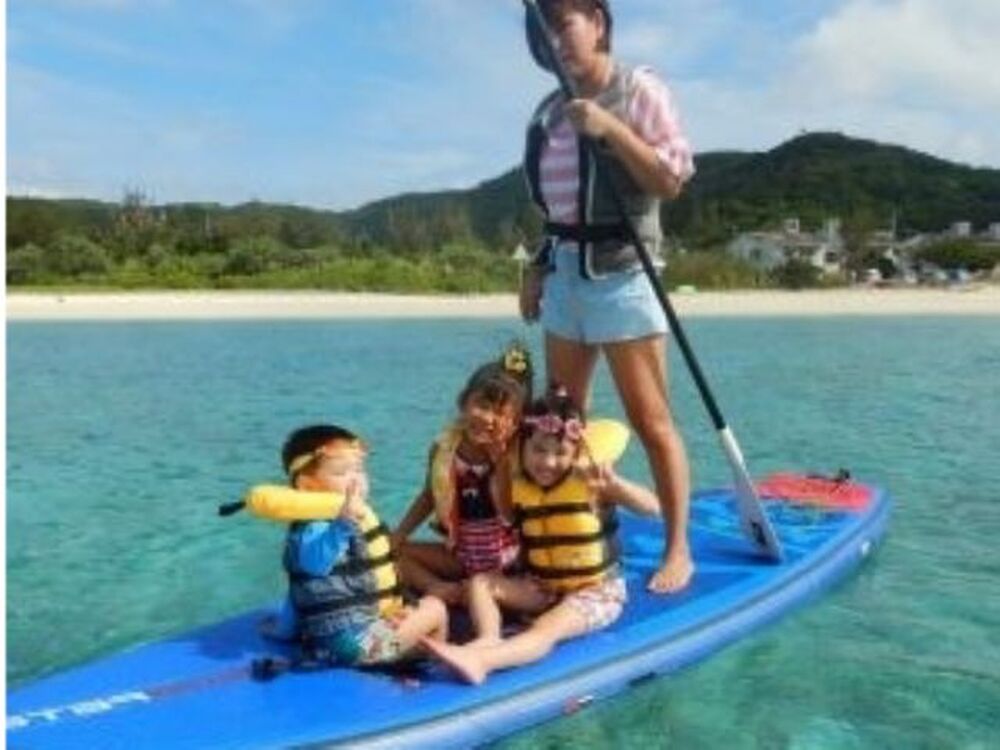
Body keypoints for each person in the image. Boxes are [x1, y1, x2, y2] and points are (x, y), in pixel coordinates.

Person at [519, 0, 696, 592]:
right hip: (565, 276)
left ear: (597, 22)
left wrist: (611, 128)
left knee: (651, 421)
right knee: (561, 420)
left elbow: (671, 179)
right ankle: (577, 534)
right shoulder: (548, 113)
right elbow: (555, 212)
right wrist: (536, 266)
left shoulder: (638, 89)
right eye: (544, 31)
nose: (556, 41)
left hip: (623, 275)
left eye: (565, 25)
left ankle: (678, 548)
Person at [422, 386, 659, 683]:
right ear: (523, 447)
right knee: (480, 583)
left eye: (560, 453)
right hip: (542, 587)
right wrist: (499, 469)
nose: (547, 462)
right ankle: (488, 639)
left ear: (576, 453)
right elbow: (508, 517)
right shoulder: (521, 486)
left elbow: (652, 507)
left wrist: (616, 485)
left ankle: (482, 662)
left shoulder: (591, 483)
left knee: (545, 628)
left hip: (595, 591)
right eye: (538, 450)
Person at [259, 424, 448, 668]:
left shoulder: (316, 525)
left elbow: (300, 592)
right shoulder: (321, 527)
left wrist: (283, 631)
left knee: (412, 612)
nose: (356, 478)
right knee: (435, 608)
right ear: (307, 485)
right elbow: (315, 565)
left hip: (340, 642)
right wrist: (343, 523)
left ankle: (406, 657)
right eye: (341, 473)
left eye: (359, 469)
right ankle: (435, 664)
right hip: (357, 649)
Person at [392, 344, 533, 605]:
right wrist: (399, 534)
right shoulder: (443, 448)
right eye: (482, 405)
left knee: (489, 586)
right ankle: (439, 588)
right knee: (394, 555)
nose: (488, 418)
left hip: (508, 559)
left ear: (515, 423)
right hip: (461, 555)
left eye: (500, 413)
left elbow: (509, 515)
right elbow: (429, 496)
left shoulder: (518, 456)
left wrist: (500, 463)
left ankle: (473, 592)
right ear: (463, 402)